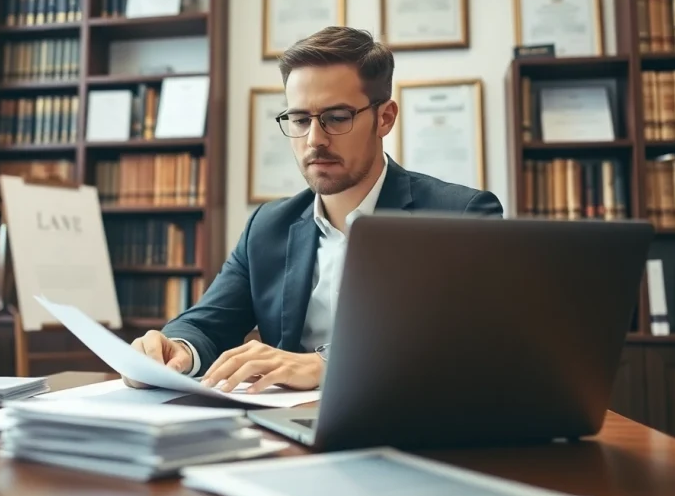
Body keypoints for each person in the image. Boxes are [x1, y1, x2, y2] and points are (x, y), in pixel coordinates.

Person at [123, 26, 503, 392]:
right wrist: (175, 351)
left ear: (384, 118)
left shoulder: (460, 215)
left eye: (336, 118)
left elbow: (466, 342)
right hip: (286, 427)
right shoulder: (267, 226)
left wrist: (326, 364)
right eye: (300, 120)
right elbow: (207, 325)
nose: (314, 140)